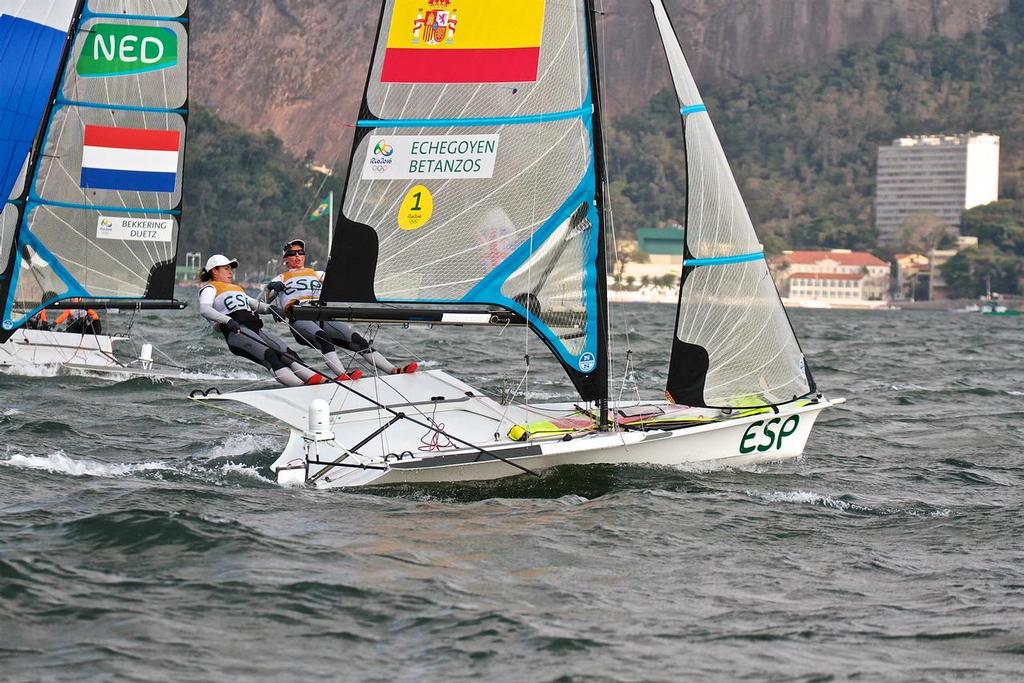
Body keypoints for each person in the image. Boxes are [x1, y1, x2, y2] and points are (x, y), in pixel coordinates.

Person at [263, 239, 417, 376]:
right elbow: (261, 305)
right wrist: (270, 288)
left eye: (300, 252)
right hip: (299, 317)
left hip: (321, 314)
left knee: (359, 341)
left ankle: (394, 371)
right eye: (292, 253)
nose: (297, 256)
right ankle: (343, 376)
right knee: (323, 339)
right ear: (286, 259)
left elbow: (342, 284)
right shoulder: (280, 278)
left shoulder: (319, 274)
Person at [198, 254, 330, 387]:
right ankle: (300, 386)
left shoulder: (237, 288)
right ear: (214, 271)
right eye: (226, 268)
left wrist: (271, 309)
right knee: (270, 355)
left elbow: (255, 305)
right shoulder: (210, 288)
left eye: (231, 269)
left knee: (287, 353)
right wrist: (228, 321)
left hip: (255, 330)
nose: (230, 272)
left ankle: (319, 381)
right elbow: (205, 309)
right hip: (236, 333)